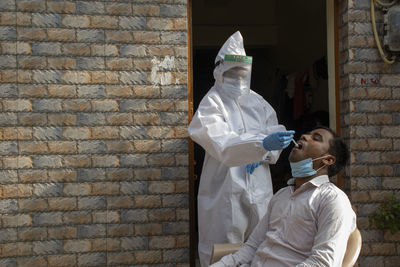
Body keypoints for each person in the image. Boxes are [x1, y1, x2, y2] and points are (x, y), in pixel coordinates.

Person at [188, 31, 294, 267]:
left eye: (242, 73)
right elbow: (220, 141)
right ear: (220, 72)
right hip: (225, 187)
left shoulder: (258, 102)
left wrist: (268, 149)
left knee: (261, 245)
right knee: (224, 249)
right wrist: (259, 145)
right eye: (232, 73)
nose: (238, 78)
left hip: (259, 183)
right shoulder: (212, 103)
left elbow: (273, 128)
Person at [210, 126, 356, 267]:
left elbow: (324, 262)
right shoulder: (281, 196)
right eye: (307, 134)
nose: (304, 136)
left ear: (328, 160)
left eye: (316, 138)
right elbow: (251, 248)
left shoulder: (332, 199)